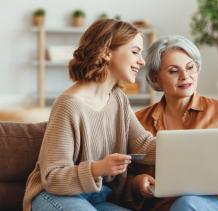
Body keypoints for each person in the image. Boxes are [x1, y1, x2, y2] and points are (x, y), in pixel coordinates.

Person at [125, 35, 218, 211]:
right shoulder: (139, 121)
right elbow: (121, 176)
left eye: (190, 68)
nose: (185, 76)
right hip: (172, 206)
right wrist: (136, 183)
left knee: (187, 204)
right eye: (173, 71)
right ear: (156, 78)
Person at [23, 19, 156, 211]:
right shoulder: (68, 105)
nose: (142, 61)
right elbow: (52, 178)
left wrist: (190, 146)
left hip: (99, 198)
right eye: (135, 51)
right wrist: (98, 168)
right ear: (106, 52)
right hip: (54, 195)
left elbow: (144, 146)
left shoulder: (119, 99)